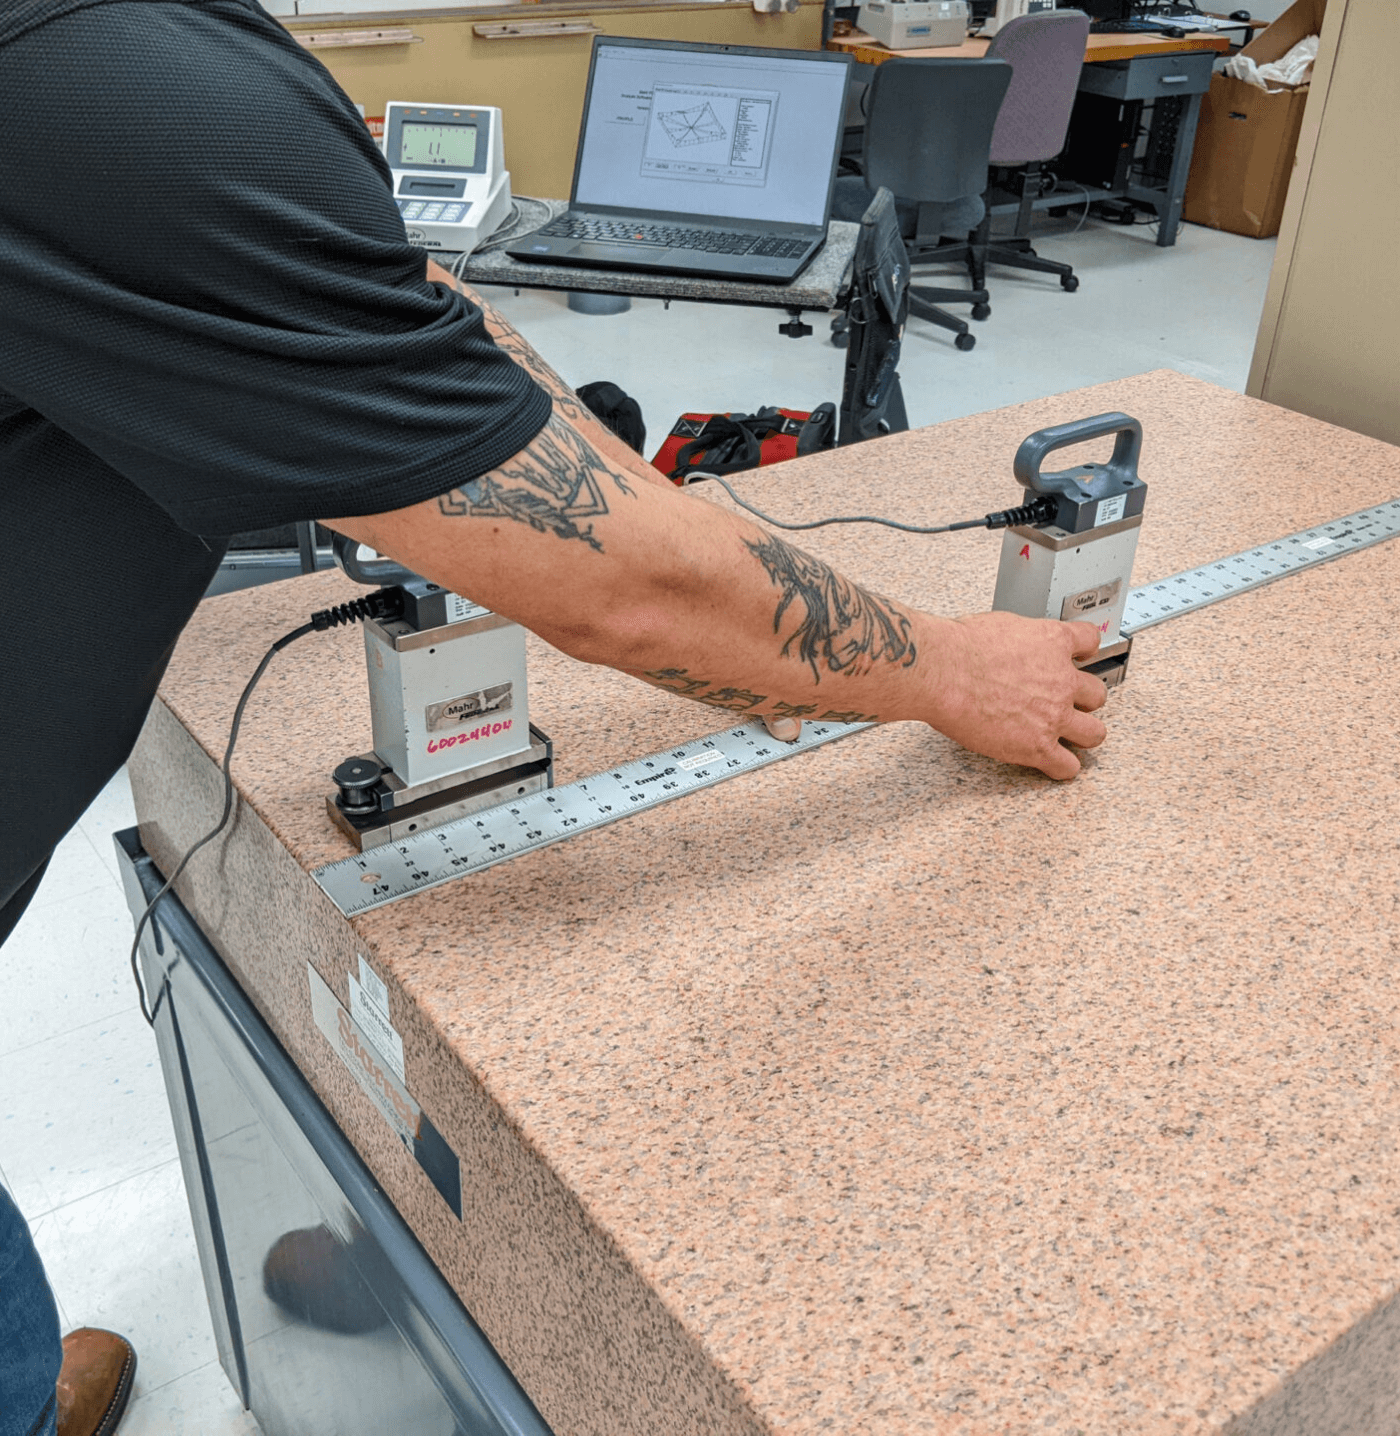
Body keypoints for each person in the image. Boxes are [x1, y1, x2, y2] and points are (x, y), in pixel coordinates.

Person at [0, 2, 1108, 1431]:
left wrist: (708, 573)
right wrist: (946, 670)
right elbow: (624, 590)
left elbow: (425, 332)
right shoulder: (101, 76)